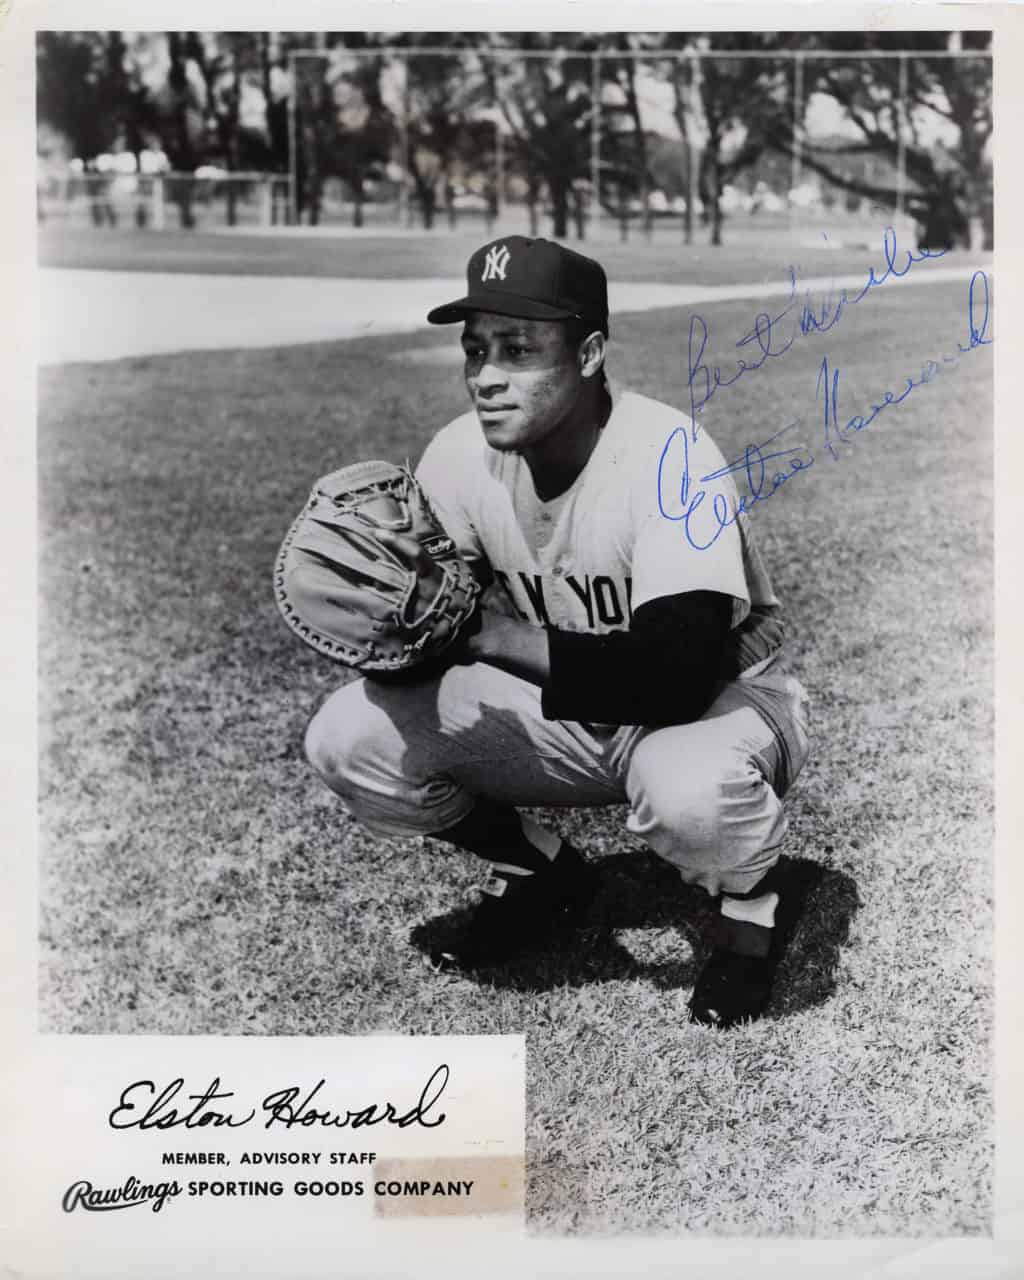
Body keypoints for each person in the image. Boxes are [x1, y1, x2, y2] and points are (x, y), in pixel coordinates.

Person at [303, 236, 810, 1029]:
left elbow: (678, 673)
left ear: (590, 353)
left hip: (720, 702)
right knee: (349, 732)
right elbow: (426, 655)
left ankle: (755, 902)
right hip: (569, 704)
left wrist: (481, 633)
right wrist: (390, 623)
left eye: (518, 349)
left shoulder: (667, 454)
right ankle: (542, 873)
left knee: (689, 791)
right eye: (475, 351)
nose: (487, 377)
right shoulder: (459, 454)